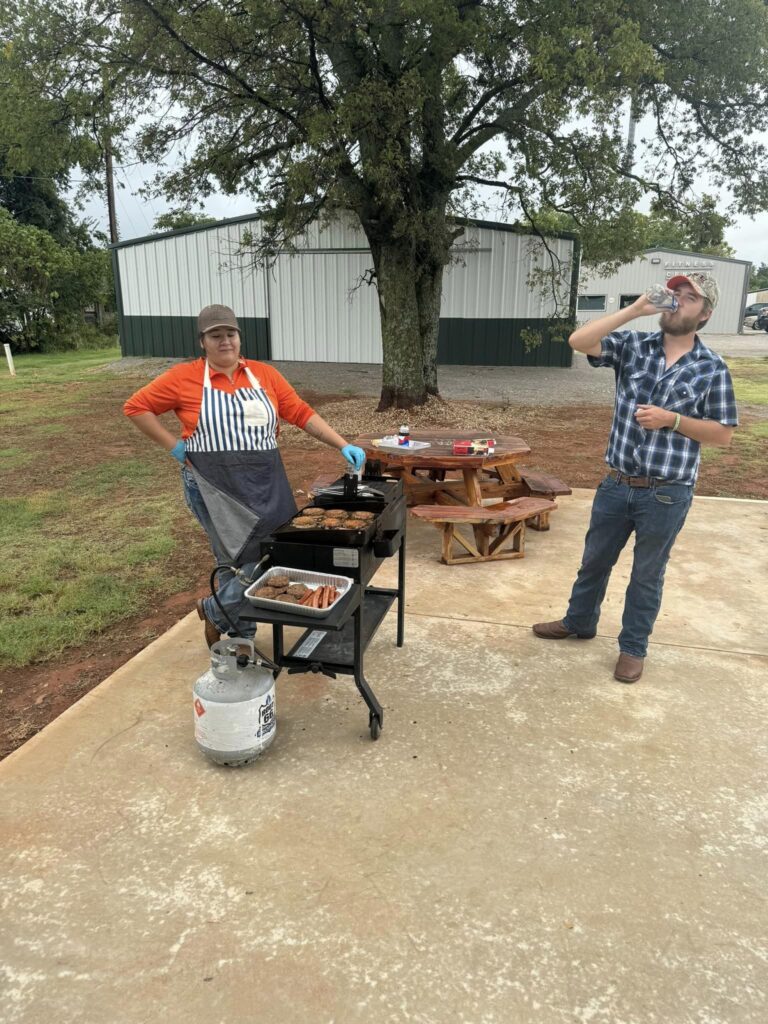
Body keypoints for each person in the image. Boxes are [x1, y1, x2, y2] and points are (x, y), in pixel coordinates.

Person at [532, 273, 738, 683]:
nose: (677, 300)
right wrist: (634, 310)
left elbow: (723, 435)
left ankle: (633, 649)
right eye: (674, 293)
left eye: (689, 297)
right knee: (593, 561)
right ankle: (579, 622)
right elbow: (579, 341)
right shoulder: (634, 347)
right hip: (616, 483)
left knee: (647, 575)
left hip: (668, 492)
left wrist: (673, 420)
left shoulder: (712, 368)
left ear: (705, 313)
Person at [124, 304, 366, 646]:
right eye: (216, 335)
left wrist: (341, 444)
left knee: (277, 551)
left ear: (239, 338)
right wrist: (174, 446)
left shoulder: (264, 375)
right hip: (214, 486)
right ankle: (242, 635)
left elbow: (299, 412)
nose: (225, 341)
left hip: (266, 481)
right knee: (234, 558)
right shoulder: (184, 378)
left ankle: (216, 609)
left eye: (231, 334)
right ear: (202, 342)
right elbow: (136, 407)